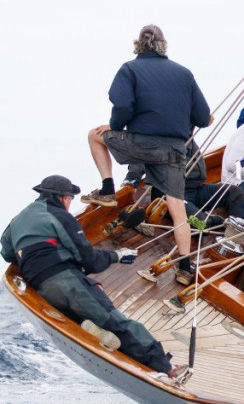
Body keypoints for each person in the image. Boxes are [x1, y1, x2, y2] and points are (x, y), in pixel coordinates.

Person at [2, 175, 181, 376]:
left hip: (42, 288)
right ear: (63, 198)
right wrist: (117, 256)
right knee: (117, 322)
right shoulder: (60, 216)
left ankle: (92, 329)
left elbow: (7, 253)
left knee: (90, 317)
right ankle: (165, 366)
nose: (70, 204)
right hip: (67, 283)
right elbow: (89, 260)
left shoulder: (18, 219)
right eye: (70, 198)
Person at [84, 25, 211, 286]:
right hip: (176, 151)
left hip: (142, 145)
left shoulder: (129, 69)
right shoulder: (184, 74)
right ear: (164, 45)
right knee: (178, 209)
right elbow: (202, 117)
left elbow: (121, 106)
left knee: (94, 135)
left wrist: (116, 128)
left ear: (137, 45)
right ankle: (185, 267)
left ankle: (107, 189)